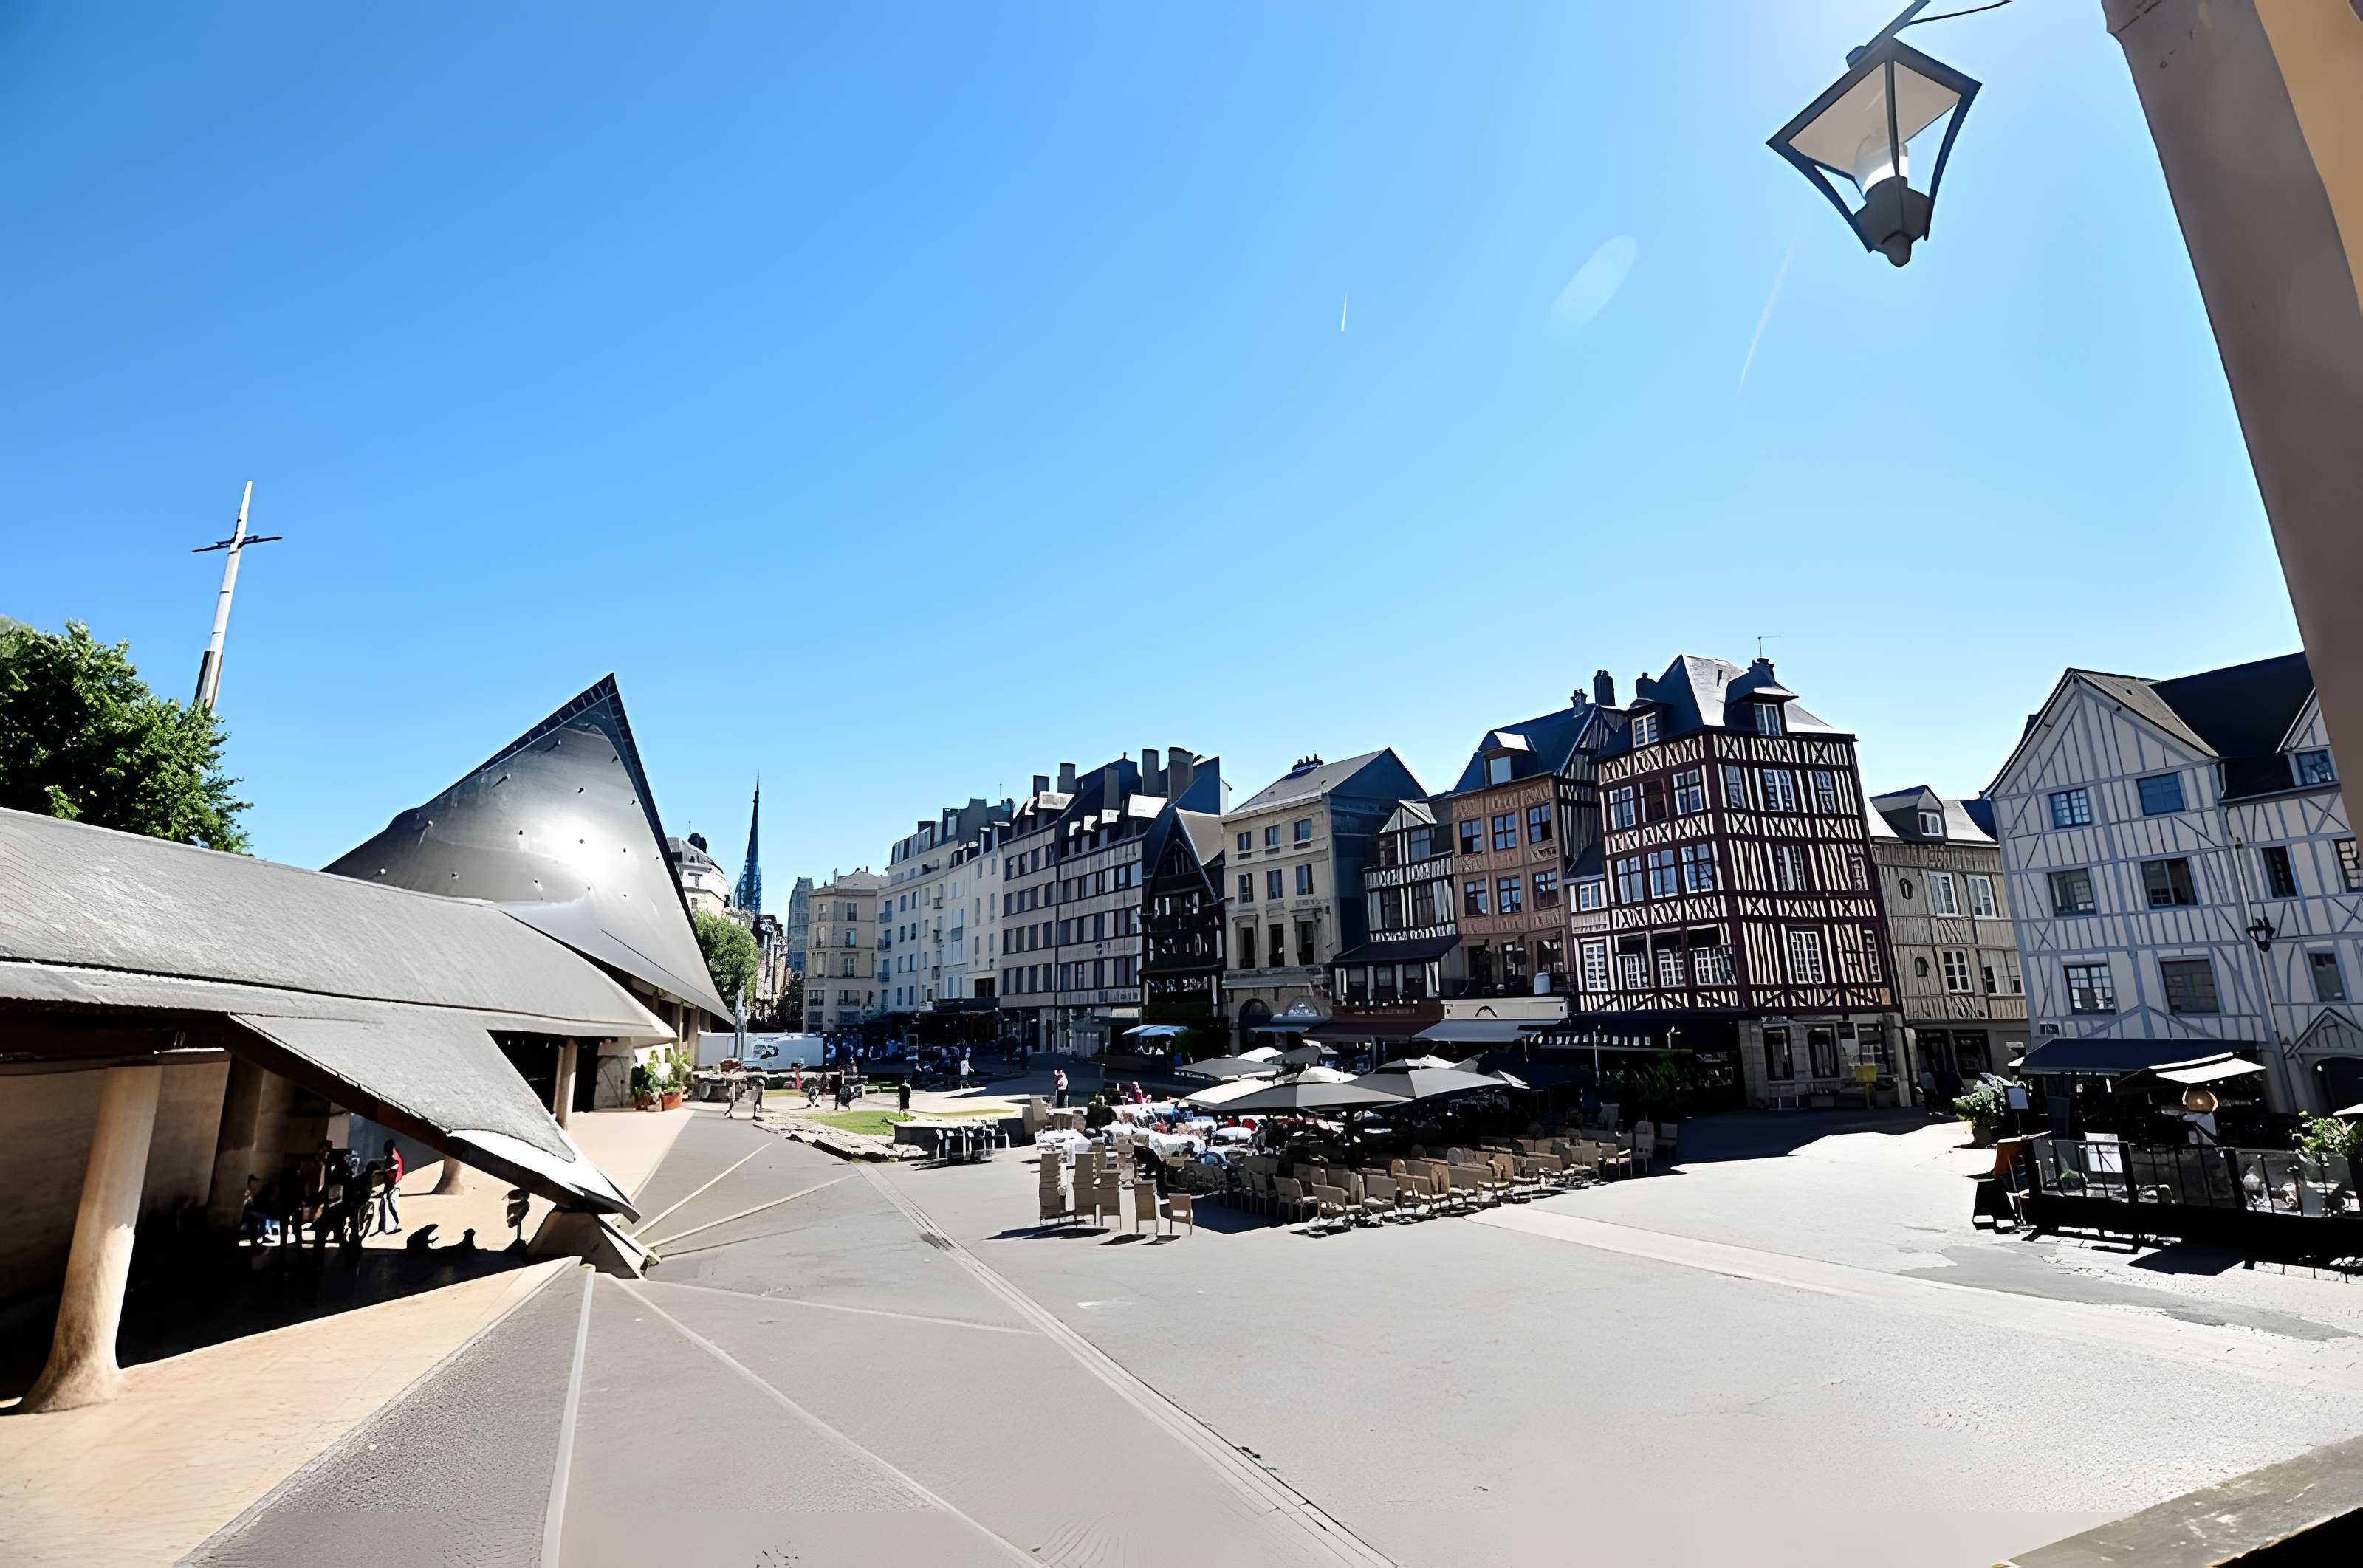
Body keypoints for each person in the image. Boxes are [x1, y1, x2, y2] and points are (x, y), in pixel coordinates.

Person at [375, 1139, 403, 1236]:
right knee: (385, 1205)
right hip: (392, 1184)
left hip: (393, 1185)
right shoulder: (391, 1155)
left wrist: (390, 1187)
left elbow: (393, 1172)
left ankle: (390, 1228)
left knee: (389, 1206)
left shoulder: (393, 1157)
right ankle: (384, 1227)